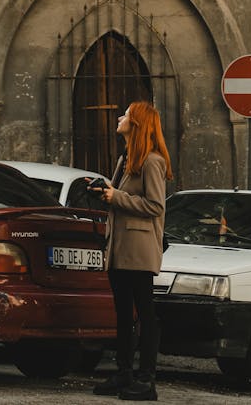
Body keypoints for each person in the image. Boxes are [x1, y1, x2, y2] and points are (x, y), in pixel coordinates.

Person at [92, 101, 172, 401]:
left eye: (126, 115)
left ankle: (146, 379)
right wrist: (103, 192)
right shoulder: (127, 159)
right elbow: (119, 197)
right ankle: (124, 372)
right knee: (123, 314)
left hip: (138, 249)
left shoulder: (152, 161)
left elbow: (155, 206)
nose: (119, 117)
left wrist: (117, 197)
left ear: (137, 123)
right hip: (119, 247)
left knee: (145, 314)